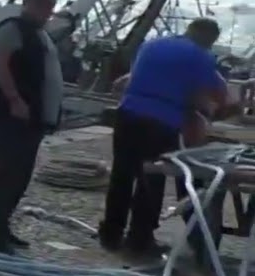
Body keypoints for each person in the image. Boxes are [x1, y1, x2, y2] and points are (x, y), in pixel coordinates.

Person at [99, 18, 231, 255]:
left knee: (122, 175)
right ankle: (140, 239)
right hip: (161, 121)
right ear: (209, 39)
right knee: (151, 179)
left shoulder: (152, 44)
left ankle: (111, 233)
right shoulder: (201, 56)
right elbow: (217, 95)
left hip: (127, 113)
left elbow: (130, 79)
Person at [0, 0, 63, 253]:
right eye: (40, 3)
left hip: (33, 118)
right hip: (13, 115)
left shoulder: (40, 34)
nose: (46, 9)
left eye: (50, 4)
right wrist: (15, 99)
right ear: (26, 2)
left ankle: (2, 227)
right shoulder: (13, 29)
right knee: (7, 173)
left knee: (21, 175)